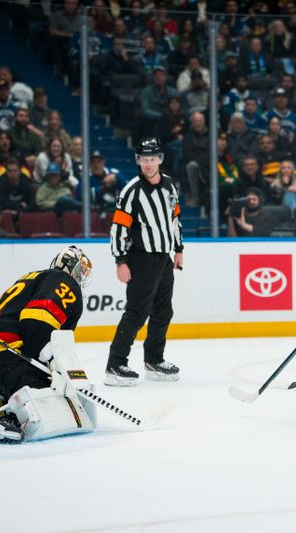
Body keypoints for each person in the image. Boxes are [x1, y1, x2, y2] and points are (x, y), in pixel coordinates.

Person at [0, 246, 95, 442]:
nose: (81, 277)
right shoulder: (64, 281)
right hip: (6, 356)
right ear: (71, 269)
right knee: (49, 395)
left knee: (35, 384)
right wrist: (52, 363)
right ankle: (13, 420)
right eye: (80, 271)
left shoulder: (33, 277)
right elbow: (37, 320)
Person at [106, 137, 183, 386]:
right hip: (141, 259)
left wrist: (179, 249)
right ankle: (115, 364)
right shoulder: (131, 190)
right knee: (137, 312)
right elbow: (118, 228)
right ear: (137, 161)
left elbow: (175, 220)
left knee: (163, 311)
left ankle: (154, 359)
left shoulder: (171, 186)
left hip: (164, 259)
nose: (148, 165)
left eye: (152, 159)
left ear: (159, 159)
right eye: (143, 160)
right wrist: (121, 260)